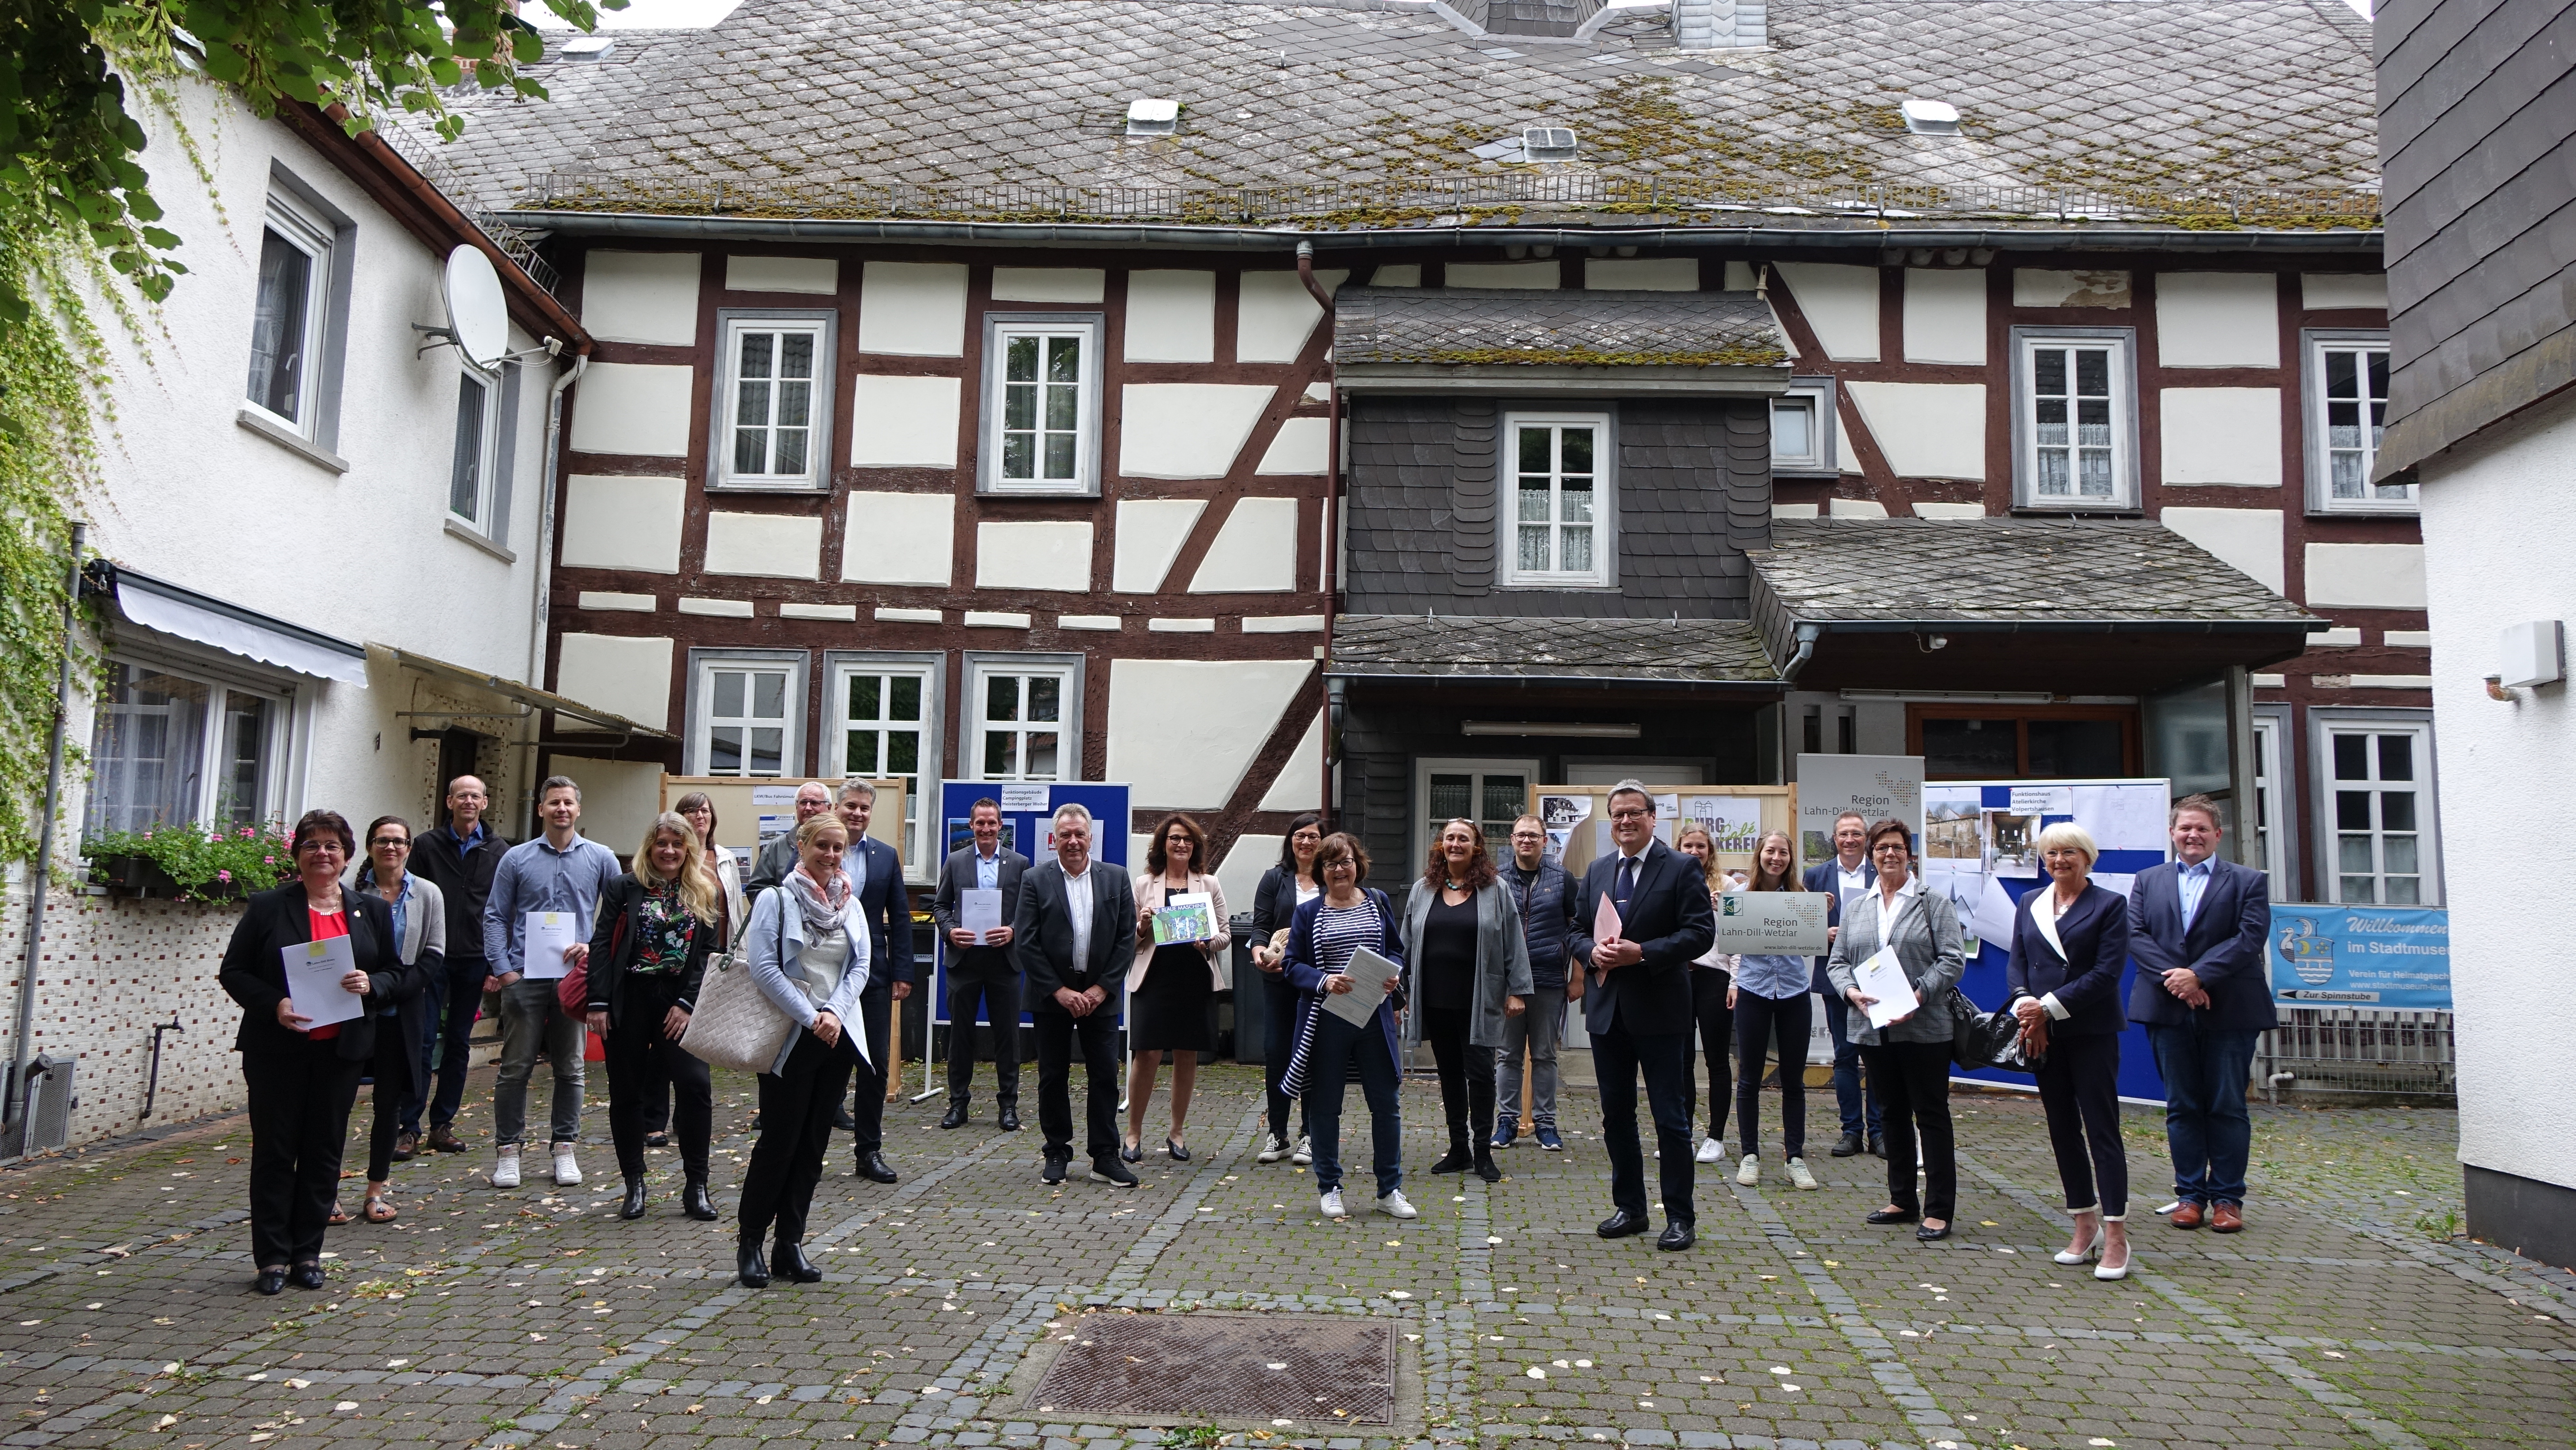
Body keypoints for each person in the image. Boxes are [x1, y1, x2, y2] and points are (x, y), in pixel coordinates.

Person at [217, 810, 418, 1295]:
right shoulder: (269, 906)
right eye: (312, 844)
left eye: (332, 845)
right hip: (278, 1051)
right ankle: (270, 1259)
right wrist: (275, 1003)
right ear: (298, 854)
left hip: (341, 1052)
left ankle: (307, 1251)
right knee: (275, 1151)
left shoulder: (368, 909)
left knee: (324, 1151)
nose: (322, 853)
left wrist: (372, 984)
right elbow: (235, 970)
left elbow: (395, 970)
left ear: (348, 856)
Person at [1571, 781, 1716, 1251]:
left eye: (1635, 813)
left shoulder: (1680, 867)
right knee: (1617, 1116)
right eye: (1617, 815)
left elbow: (1699, 934)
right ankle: (1631, 1208)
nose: (1626, 822)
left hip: (1661, 1012)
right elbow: (1573, 929)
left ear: (1653, 818)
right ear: (1610, 822)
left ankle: (1679, 1216)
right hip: (1608, 1013)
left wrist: (1644, 953)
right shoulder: (1596, 871)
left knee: (1671, 1119)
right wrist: (1590, 952)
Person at [2126, 793, 2273, 1235]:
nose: (2193, 835)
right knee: (2183, 1105)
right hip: (2167, 1008)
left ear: (2217, 836)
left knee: (2227, 1105)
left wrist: (2200, 977)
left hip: (2230, 1009)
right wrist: (2179, 982)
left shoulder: (2248, 881)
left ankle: (2228, 1199)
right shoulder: (2148, 880)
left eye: (2202, 829)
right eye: (2185, 828)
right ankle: (2190, 1196)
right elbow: (2136, 935)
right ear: (2172, 833)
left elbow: (2250, 939)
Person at [738, 813, 873, 1288]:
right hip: (791, 1038)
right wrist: (811, 1015)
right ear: (802, 845)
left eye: (839, 848)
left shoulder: (850, 902)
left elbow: (861, 966)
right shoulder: (777, 899)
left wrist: (834, 1013)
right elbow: (764, 969)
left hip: (835, 1038)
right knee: (779, 1142)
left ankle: (789, 1243)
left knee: (813, 1145)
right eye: (823, 846)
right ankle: (751, 1240)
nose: (832, 856)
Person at [1828, 817, 1967, 1241]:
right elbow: (1837, 964)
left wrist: (1918, 995)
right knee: (1890, 1113)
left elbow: (1953, 960)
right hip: (1874, 1028)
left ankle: (1939, 1209)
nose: (1890, 854)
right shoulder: (1859, 908)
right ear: (1871, 856)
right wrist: (1851, 992)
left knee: (1931, 1114)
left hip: (1925, 1026)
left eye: (1898, 847)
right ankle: (1902, 1199)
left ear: (1910, 854)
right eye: (1882, 847)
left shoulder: (1932, 902)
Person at [480, 775, 621, 1191]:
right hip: (524, 977)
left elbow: (617, 919)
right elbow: (494, 915)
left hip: (575, 981)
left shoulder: (601, 858)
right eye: (554, 803)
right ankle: (508, 1153)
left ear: (579, 810)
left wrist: (592, 948)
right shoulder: (516, 858)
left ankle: (565, 1148)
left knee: (571, 1068)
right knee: (514, 1069)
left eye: (568, 803)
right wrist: (504, 969)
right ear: (541, 809)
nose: (561, 809)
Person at [2008, 821, 2133, 1280]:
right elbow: (2018, 960)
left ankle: (2117, 1233)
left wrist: (2046, 1009)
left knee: (2103, 1131)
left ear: (2087, 857)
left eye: (2069, 853)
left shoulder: (2111, 905)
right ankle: (2084, 1223)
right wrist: (2026, 1004)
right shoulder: (2030, 902)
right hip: (2042, 1033)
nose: (2059, 861)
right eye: (2052, 853)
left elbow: (2106, 973)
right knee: (2062, 1129)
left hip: (2090, 1031)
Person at [586, 813, 721, 1224]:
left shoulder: (703, 891)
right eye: (662, 843)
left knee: (696, 1087)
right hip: (630, 998)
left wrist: (687, 1004)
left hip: (679, 1001)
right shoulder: (623, 887)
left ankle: (696, 1184)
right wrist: (598, 1002)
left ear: (689, 850)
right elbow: (602, 945)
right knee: (627, 1092)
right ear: (650, 846)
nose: (669, 851)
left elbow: (708, 956)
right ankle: (634, 1183)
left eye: (678, 845)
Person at [1282, 833, 1415, 1221]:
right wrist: (1324, 980)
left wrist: (1394, 975)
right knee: (1325, 1106)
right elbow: (1292, 965)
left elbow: (1394, 948)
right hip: (1327, 1020)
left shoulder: (1378, 901)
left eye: (1346, 862)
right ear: (1321, 871)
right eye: (1331, 864)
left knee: (1386, 1104)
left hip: (1374, 1015)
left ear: (1359, 864)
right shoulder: (1308, 913)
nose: (1340, 870)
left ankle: (1389, 1190)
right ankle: (1330, 1188)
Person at [1012, 803, 1139, 1187]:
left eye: (1079, 834)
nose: (1072, 841)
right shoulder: (1035, 879)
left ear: (1090, 838)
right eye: (1064, 835)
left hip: (1101, 996)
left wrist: (1102, 989)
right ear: (1054, 840)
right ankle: (1056, 1152)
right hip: (1051, 997)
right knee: (1053, 1075)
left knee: (1105, 1075)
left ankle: (1105, 1156)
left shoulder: (1116, 878)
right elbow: (1026, 941)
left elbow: (1125, 938)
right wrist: (1059, 991)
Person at [1401, 819, 1530, 1183]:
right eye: (1449, 838)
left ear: (1477, 847)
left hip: (1480, 998)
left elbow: (1513, 942)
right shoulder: (1422, 890)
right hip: (1436, 998)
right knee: (1450, 1075)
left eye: (1464, 839)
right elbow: (1406, 942)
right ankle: (1459, 1149)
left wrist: (1518, 990)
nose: (1455, 843)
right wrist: (1401, 987)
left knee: (1481, 1074)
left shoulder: (1496, 889)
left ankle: (1483, 1151)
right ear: (1440, 845)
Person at [342, 815, 445, 1226]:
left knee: (390, 1106)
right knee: (338, 1103)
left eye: (399, 842)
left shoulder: (428, 894)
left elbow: (434, 954)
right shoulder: (350, 893)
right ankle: (328, 1191)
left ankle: (375, 1191)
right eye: (383, 841)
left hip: (401, 1009)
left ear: (409, 848)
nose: (391, 848)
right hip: (352, 1011)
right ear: (369, 847)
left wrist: (396, 988)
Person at [406, 774, 509, 1156]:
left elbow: (506, 909)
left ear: (485, 803)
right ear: (449, 802)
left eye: (475, 796)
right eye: (461, 795)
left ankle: (442, 1125)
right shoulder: (427, 846)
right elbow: (409, 894)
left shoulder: (499, 850)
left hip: (475, 958)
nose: (468, 801)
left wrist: (499, 964)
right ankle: (408, 1126)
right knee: (420, 1040)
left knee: (458, 1045)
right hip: (430, 958)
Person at [819, 782, 916, 1182]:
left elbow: (901, 916)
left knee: (875, 1065)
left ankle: (869, 1151)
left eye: (864, 808)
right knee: (827, 1065)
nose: (857, 814)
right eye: (851, 807)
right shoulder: (820, 849)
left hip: (872, 975)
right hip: (823, 975)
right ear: (836, 808)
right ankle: (811, 1147)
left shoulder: (885, 856)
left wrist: (903, 972)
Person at [1124, 813, 1232, 1162]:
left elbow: (1226, 935)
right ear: (1163, 845)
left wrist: (1208, 944)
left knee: (1187, 1056)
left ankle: (1177, 1133)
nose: (1181, 844)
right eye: (1175, 838)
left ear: (1195, 845)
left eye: (1187, 839)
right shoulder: (1143, 885)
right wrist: (1141, 926)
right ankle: (1133, 1134)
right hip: (1154, 977)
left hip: (1194, 979)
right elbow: (1129, 939)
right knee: (1148, 1055)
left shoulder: (1209, 884)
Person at [650, 792, 746, 1149]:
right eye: (690, 811)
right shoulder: (670, 860)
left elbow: (734, 906)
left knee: (695, 1045)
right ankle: (654, 1120)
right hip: (673, 963)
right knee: (663, 1042)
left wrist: (736, 953)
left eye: (704, 810)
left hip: (714, 959)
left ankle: (685, 1118)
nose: (698, 816)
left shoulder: (725, 859)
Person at [1726, 830, 1821, 1192]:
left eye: (1783, 852)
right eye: (1771, 851)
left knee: (1793, 1080)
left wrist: (1819, 923)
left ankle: (1794, 1158)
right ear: (1759, 855)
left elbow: (1809, 948)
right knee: (1750, 1077)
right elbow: (1729, 943)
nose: (1776, 858)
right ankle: (1750, 1155)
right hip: (1754, 989)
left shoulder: (1801, 898)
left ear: (1790, 858)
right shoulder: (1739, 896)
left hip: (1795, 990)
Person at [931, 798, 1029, 1131]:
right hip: (965, 960)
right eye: (980, 823)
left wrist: (1013, 930)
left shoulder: (1019, 863)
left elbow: (1029, 912)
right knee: (960, 1036)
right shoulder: (956, 861)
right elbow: (940, 907)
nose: (986, 828)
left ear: (1001, 826)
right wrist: (950, 930)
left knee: (1008, 1036)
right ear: (971, 826)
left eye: (992, 823)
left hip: (1005, 960)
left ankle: (1008, 1106)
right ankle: (958, 1104)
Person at [1494, 814, 1577, 1152]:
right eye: (1520, 835)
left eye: (1533, 835)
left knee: (1545, 1054)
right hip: (1507, 982)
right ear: (1512, 840)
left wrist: (1579, 977)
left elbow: (1577, 927)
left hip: (1548, 980)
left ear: (1545, 841)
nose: (1526, 841)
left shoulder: (1563, 879)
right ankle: (1506, 1123)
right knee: (1507, 1055)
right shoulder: (1497, 881)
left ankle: (1546, 1124)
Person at [1803, 810, 1883, 1159]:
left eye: (1856, 834)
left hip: (1879, 975)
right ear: (1833, 839)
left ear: (1866, 839)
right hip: (1836, 975)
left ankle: (1879, 1133)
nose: (1850, 840)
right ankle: (1852, 1131)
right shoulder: (1815, 876)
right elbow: (1798, 929)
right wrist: (1823, 933)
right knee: (1845, 1057)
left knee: (1879, 1058)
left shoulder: (1883, 871)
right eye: (1843, 834)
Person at [1250, 813, 1323, 1164]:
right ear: (1290, 841)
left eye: (1313, 837)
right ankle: (1277, 1134)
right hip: (1278, 980)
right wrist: (1259, 954)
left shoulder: (1332, 878)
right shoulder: (1273, 879)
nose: (1306, 842)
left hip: (1316, 983)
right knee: (1277, 1052)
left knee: (1313, 1053)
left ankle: (1311, 1134)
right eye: (1300, 836)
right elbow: (1260, 927)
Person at [1673, 823, 1732, 1168]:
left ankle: (1716, 1137)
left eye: (1701, 846)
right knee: (1681, 1061)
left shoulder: (1728, 887)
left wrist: (1735, 982)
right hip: (1680, 977)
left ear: (1710, 851)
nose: (1695, 852)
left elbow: (1740, 940)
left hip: (1715, 979)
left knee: (1716, 1060)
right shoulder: (1670, 882)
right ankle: (1682, 1135)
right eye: (1689, 846)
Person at [744, 780, 835, 893]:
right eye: (803, 803)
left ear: (829, 807)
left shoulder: (839, 845)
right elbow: (756, 889)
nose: (808, 808)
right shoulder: (777, 847)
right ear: (797, 807)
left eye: (814, 803)